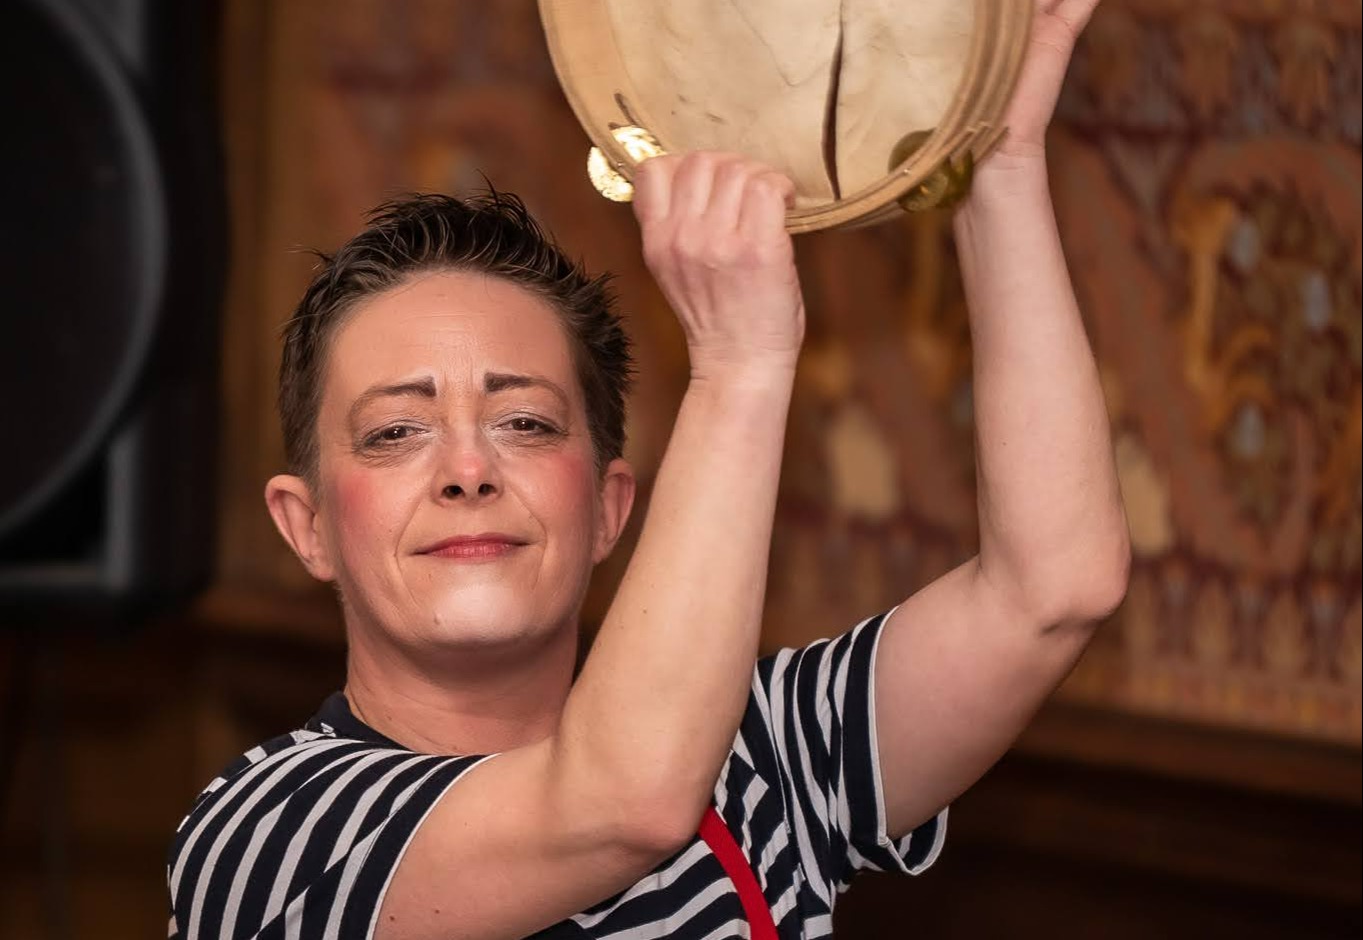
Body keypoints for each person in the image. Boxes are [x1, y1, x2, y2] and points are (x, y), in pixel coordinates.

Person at [168, 1, 1128, 937]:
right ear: (307, 528)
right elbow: (620, 806)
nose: (467, 469)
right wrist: (739, 363)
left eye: (525, 422)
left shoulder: (759, 755)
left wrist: (996, 159)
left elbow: (1053, 587)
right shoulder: (266, 836)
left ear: (608, 507)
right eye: (395, 432)